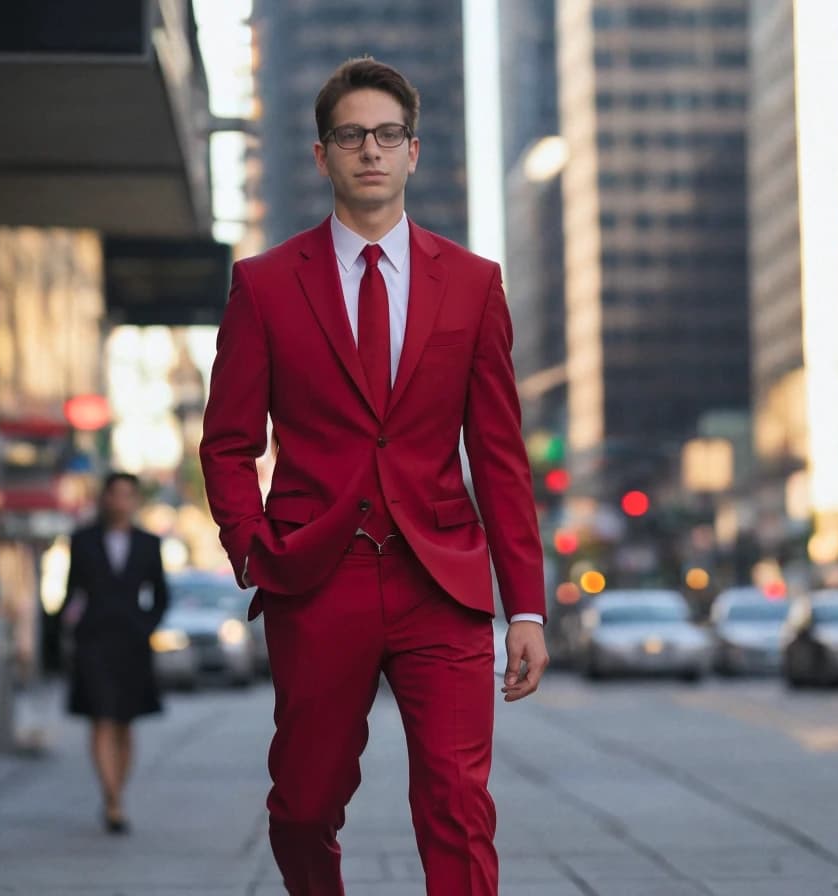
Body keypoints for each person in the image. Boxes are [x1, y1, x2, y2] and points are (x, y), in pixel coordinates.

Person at [199, 57, 548, 895]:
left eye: (387, 135)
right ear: (322, 155)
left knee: (458, 804)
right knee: (304, 807)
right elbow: (227, 442)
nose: (371, 151)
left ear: (413, 152)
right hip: (319, 578)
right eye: (351, 136)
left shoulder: (472, 285)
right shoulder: (266, 285)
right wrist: (254, 551)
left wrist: (526, 605)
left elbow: (499, 456)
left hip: (443, 580)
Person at [60, 472, 169, 834]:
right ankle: (113, 801)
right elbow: (72, 593)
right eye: (115, 494)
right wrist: (68, 630)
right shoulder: (82, 540)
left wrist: (146, 626)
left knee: (124, 721)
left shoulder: (149, 544)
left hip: (132, 643)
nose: (121, 501)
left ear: (136, 500)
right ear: (104, 498)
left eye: (128, 495)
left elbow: (161, 595)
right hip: (94, 641)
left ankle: (115, 794)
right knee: (101, 717)